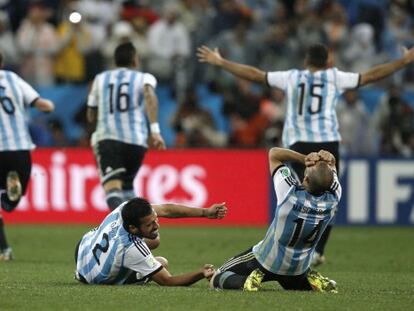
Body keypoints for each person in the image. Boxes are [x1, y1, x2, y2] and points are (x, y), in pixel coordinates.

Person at [197, 42, 414, 266]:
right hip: (328, 142)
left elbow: (256, 75)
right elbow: (369, 76)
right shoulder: (334, 77)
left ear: (305, 61)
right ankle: (318, 250)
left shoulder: (292, 77)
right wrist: (403, 61)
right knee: (330, 196)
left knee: (300, 193)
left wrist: (221, 62)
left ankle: (293, 248)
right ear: (328, 62)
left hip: (299, 144)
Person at [209, 148, 340, 293]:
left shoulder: (289, 192)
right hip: (297, 269)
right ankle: (312, 280)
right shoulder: (334, 197)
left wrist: (305, 159)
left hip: (266, 262)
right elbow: (330, 175)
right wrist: (330, 161)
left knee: (217, 277)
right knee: (297, 282)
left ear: (306, 179)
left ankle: (246, 281)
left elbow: (274, 154)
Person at [87, 42, 166, 211]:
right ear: (135, 61)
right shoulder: (145, 77)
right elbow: (150, 96)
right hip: (136, 142)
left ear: (115, 61)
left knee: (113, 190)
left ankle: (124, 228)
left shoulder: (101, 79)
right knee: (128, 188)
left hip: (109, 138)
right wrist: (155, 131)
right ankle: (140, 229)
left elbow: (91, 114)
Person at [75, 197, 227, 285]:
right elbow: (168, 281)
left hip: (83, 248)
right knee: (162, 262)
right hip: (92, 278)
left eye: (155, 219)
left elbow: (166, 209)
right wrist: (200, 272)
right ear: (133, 228)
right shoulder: (131, 249)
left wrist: (206, 212)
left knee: (154, 241)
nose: (157, 225)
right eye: (150, 224)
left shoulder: (124, 209)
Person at [0, 51, 54, 261]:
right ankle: (9, 197)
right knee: (10, 202)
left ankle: (4, 250)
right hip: (20, 148)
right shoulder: (12, 78)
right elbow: (41, 103)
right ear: (2, 62)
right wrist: (48, 106)